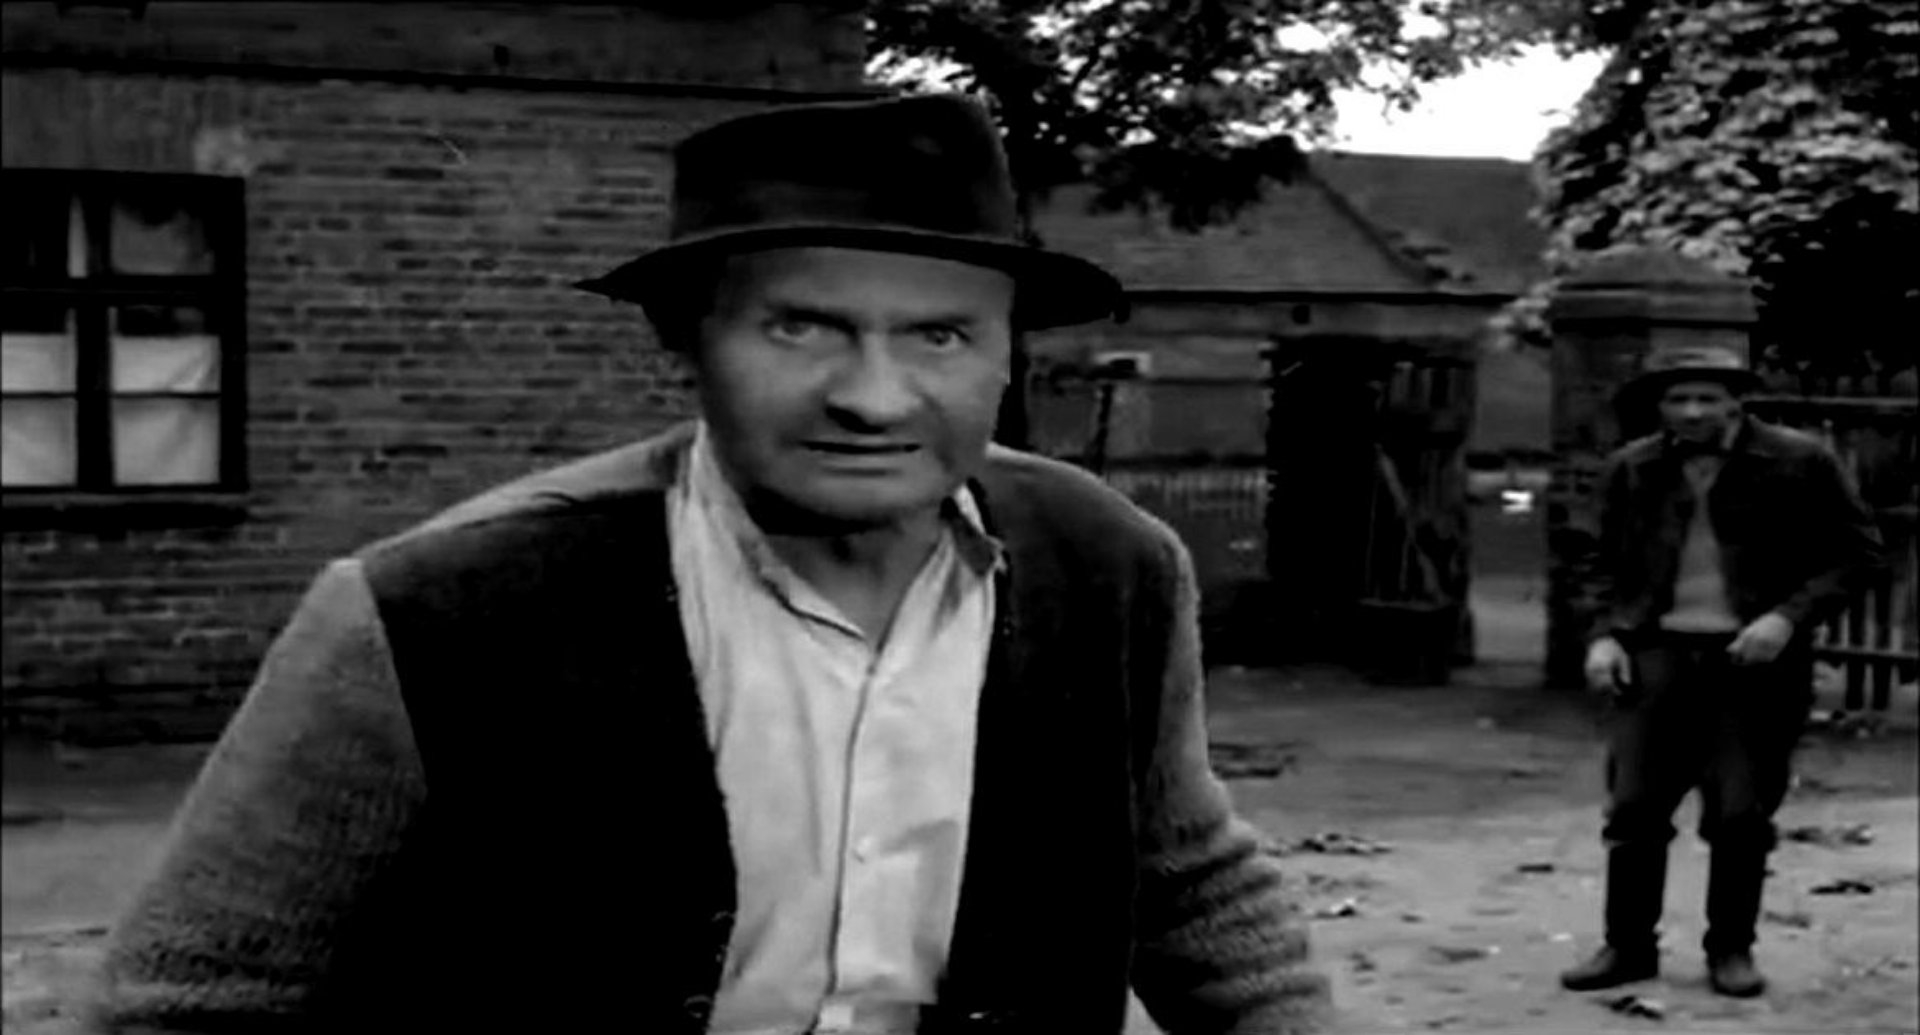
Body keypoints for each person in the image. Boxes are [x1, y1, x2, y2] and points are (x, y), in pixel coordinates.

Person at [83, 95, 1331, 1034]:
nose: (873, 396)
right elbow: (190, 999)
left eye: (941, 336)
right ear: (684, 340)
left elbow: (1188, 882)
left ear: (1009, 354)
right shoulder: (429, 615)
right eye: (800, 327)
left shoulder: (1108, 569)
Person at [1560, 342, 1886, 998]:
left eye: (1707, 398)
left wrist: (1786, 617)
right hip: (1655, 654)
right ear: (1659, 406)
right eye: (1678, 399)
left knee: (1740, 812)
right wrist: (1604, 635)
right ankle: (1627, 945)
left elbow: (1857, 555)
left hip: (1754, 662)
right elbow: (1591, 557)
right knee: (1634, 809)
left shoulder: (1800, 462)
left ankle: (1731, 948)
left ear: (1738, 401)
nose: (1692, 412)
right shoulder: (1633, 468)